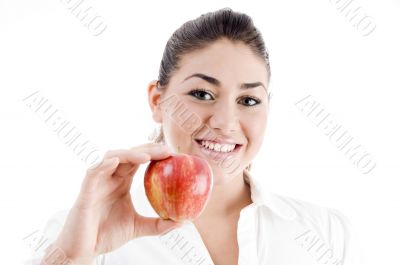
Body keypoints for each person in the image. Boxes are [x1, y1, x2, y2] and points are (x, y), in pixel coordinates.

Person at [26, 7, 358, 265]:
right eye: (201, 94)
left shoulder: (324, 232)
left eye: (249, 100)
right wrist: (75, 255)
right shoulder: (84, 230)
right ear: (157, 101)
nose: (226, 122)